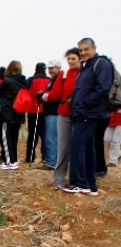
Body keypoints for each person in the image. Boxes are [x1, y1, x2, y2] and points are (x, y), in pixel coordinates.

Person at [63, 38, 112, 196]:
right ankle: (90, 186)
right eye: (81, 50)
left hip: (90, 113)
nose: (83, 53)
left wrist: (85, 104)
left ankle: (79, 183)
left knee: (76, 147)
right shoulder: (86, 67)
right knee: (88, 149)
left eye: (86, 49)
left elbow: (103, 88)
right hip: (83, 113)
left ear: (94, 48)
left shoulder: (101, 64)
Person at [45, 48, 81, 190]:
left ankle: (76, 180)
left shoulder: (86, 73)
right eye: (69, 59)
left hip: (80, 115)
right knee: (63, 148)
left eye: (73, 58)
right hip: (64, 114)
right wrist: (47, 96)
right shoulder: (64, 74)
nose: (71, 61)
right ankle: (59, 181)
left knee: (78, 148)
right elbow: (56, 93)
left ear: (80, 58)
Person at [0, 61, 27, 170]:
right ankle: (14, 160)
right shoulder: (24, 81)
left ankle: (10, 162)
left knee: (6, 137)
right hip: (19, 113)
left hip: (8, 113)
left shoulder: (7, 81)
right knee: (14, 138)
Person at [36, 60, 63, 170]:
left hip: (54, 111)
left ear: (58, 67)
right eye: (49, 68)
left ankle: (52, 162)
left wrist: (43, 95)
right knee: (53, 138)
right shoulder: (53, 80)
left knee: (51, 138)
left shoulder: (59, 79)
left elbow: (55, 95)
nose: (50, 70)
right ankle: (54, 161)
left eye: (52, 68)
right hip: (51, 111)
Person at [24, 63, 51, 163]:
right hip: (45, 109)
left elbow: (26, 92)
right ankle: (45, 156)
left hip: (33, 109)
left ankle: (30, 157)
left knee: (32, 134)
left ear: (36, 69)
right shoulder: (49, 80)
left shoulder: (31, 79)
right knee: (45, 134)